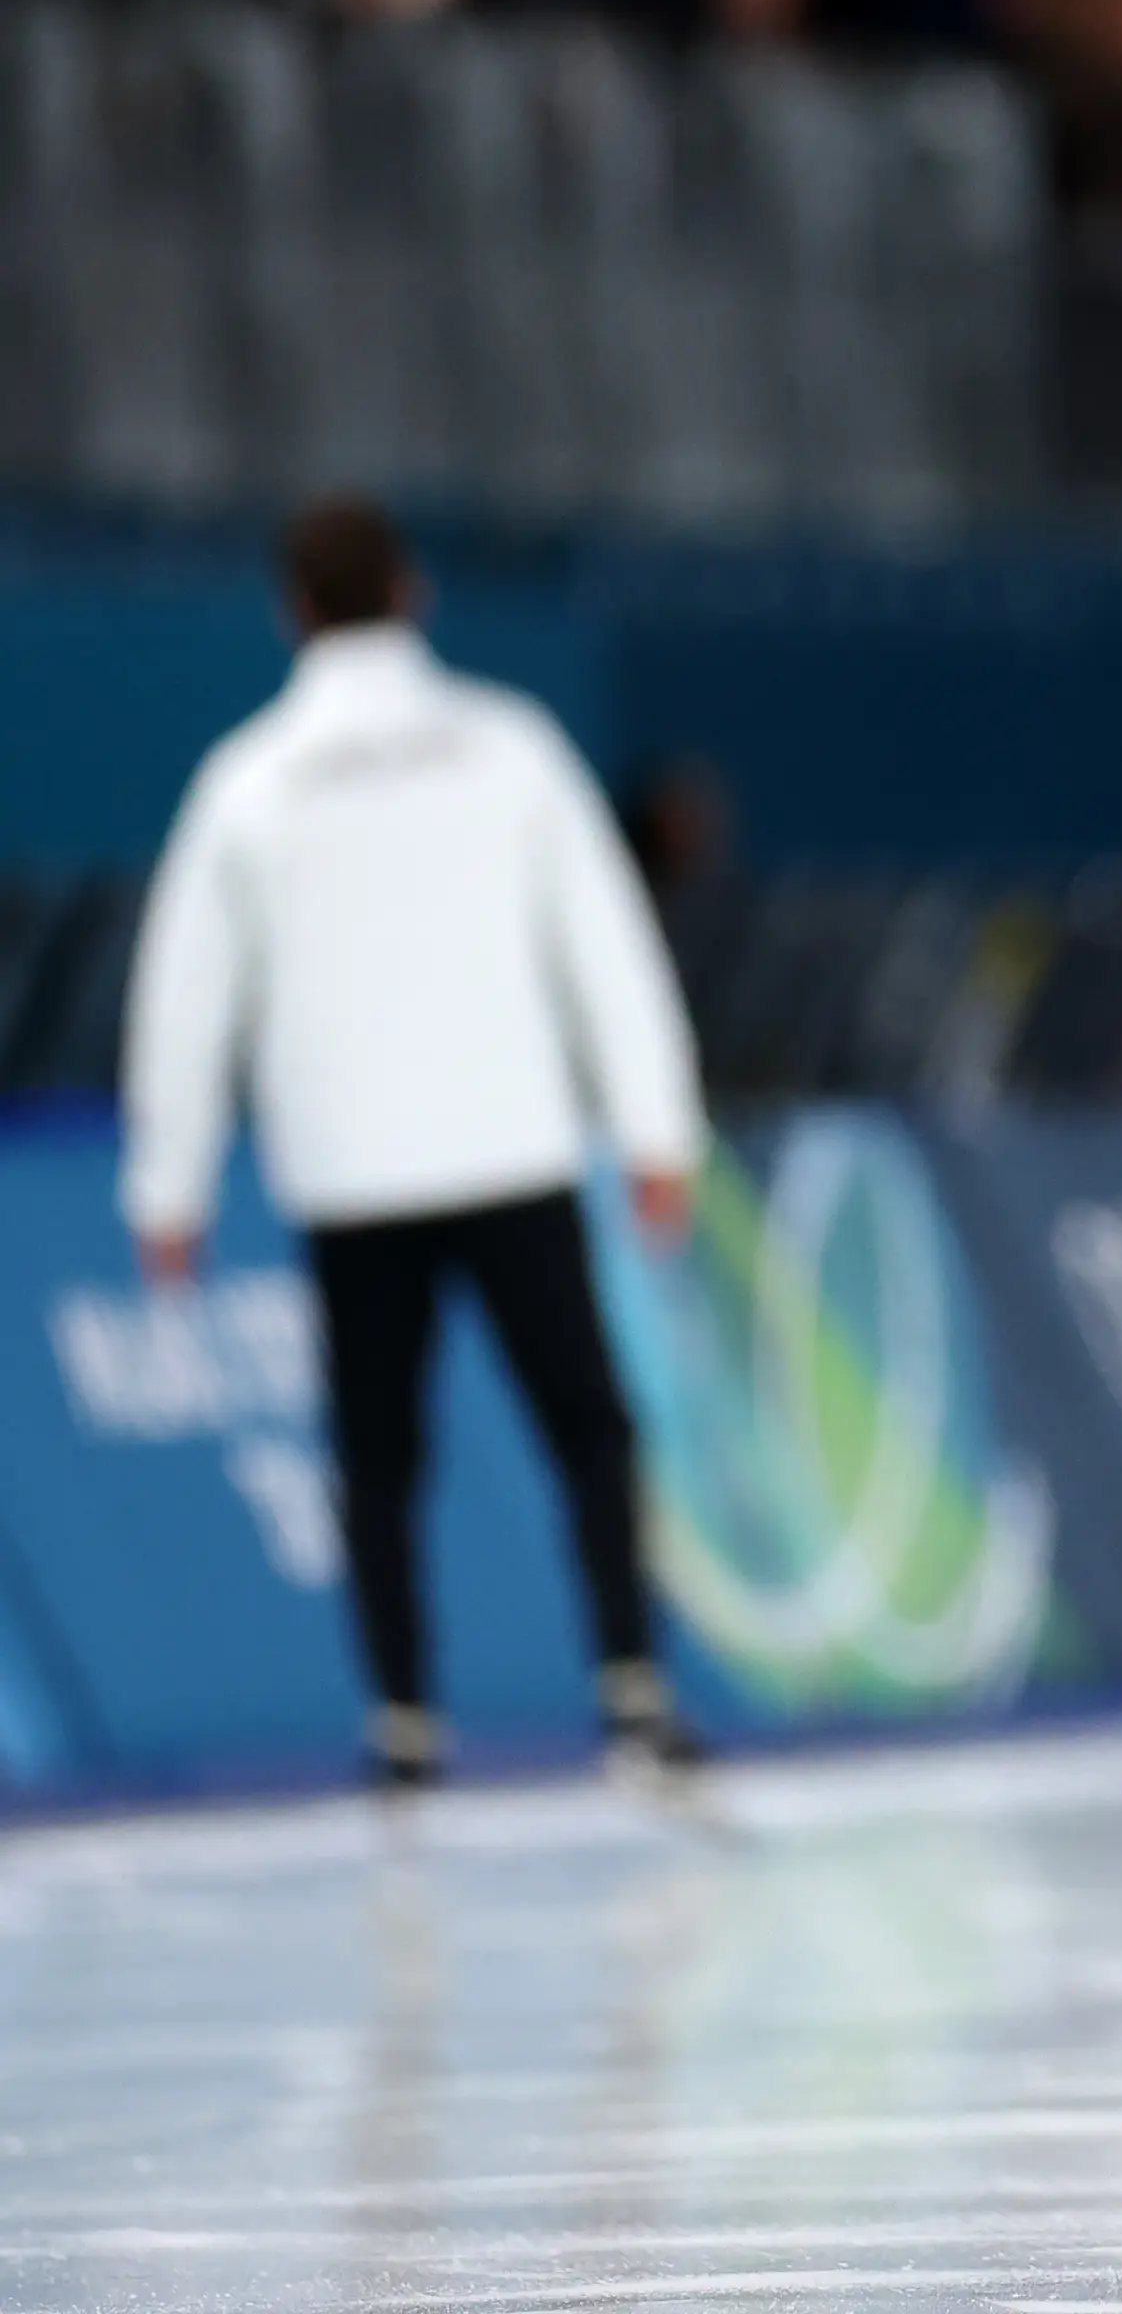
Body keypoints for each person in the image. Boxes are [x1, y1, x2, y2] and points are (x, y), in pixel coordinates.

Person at [120, 500, 710, 1798]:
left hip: (355, 1175)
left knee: (377, 1454)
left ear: (293, 611)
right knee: (588, 1428)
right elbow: (607, 947)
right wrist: (656, 1128)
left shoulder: (250, 781)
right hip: (512, 1151)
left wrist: (168, 1186)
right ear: (414, 592)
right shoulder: (510, 750)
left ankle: (401, 1717)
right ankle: (632, 1686)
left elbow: (185, 1000)